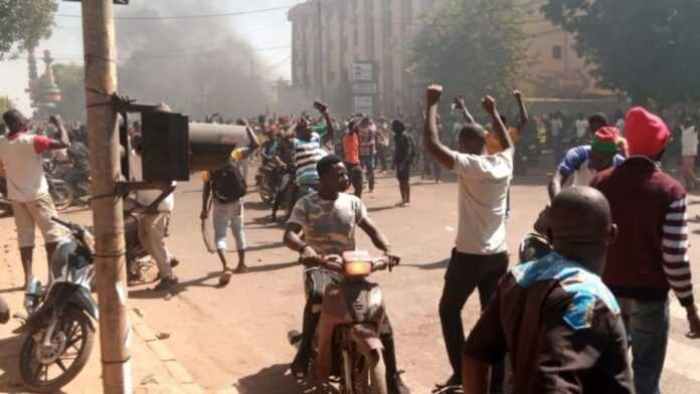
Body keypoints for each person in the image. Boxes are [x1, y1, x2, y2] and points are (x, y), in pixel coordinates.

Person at [462, 187, 634, 394]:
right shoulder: (588, 299)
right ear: (612, 233)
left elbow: (475, 355)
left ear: (550, 234)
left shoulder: (517, 279)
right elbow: (553, 384)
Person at [591, 107, 700, 394]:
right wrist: (689, 307)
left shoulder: (600, 182)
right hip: (649, 297)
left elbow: (589, 241)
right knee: (646, 377)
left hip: (606, 294)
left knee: (608, 375)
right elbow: (675, 258)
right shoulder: (671, 191)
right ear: (661, 148)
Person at [283, 154, 409, 394]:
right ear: (322, 178)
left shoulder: (352, 202)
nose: (345, 178)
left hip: (350, 268)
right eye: (338, 174)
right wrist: (304, 248)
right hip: (319, 266)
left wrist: (387, 250)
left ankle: (392, 376)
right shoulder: (306, 204)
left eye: (344, 173)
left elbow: (372, 229)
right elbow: (289, 235)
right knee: (318, 298)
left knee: (380, 316)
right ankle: (304, 353)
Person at [422, 85, 513, 393]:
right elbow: (505, 141)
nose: (458, 144)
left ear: (468, 143)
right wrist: (492, 112)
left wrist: (431, 105)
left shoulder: (470, 165)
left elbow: (432, 145)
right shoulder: (504, 162)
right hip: (498, 255)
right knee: (493, 318)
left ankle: (462, 373)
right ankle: (496, 383)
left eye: (461, 141)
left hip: (470, 255)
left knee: (449, 310)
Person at [0, 110, 70, 294]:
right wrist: (59, 123)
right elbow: (65, 143)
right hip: (38, 195)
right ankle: (52, 278)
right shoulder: (33, 140)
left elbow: (1, 170)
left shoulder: (2, 143)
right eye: (23, 119)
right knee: (52, 236)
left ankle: (28, 278)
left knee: (25, 238)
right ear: (19, 122)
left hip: (16, 197)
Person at [201, 126, 260, 284]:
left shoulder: (208, 163)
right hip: (237, 201)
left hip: (220, 204)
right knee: (239, 231)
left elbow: (207, 187)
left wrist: (204, 209)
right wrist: (248, 127)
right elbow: (256, 145)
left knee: (220, 235)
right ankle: (242, 264)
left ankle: (226, 266)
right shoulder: (233, 155)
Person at [283, 101, 336, 217]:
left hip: (321, 181)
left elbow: (330, 133)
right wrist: (295, 124)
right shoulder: (296, 142)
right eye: (307, 127)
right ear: (300, 131)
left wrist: (326, 113)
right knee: (307, 209)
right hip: (306, 183)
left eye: (310, 126)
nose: (310, 128)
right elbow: (286, 137)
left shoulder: (316, 138)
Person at [548, 127, 626, 200]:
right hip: (577, 202)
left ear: (612, 155)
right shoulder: (580, 154)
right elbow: (556, 181)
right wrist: (557, 204)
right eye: (592, 155)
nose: (594, 161)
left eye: (600, 159)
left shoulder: (621, 165)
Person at [393, 120, 415, 207]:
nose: (393, 129)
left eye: (395, 127)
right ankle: (403, 199)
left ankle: (408, 200)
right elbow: (396, 150)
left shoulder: (405, 136)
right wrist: (394, 161)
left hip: (405, 162)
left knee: (405, 181)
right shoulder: (397, 136)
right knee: (400, 180)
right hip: (399, 161)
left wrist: (404, 163)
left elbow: (408, 151)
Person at [342, 118, 364, 197]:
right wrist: (354, 124)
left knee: (359, 185)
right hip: (349, 163)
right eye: (356, 126)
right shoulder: (348, 136)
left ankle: (357, 199)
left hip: (356, 162)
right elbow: (351, 130)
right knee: (347, 184)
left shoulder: (355, 136)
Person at [358, 117, 377, 192]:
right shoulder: (369, 129)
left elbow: (372, 142)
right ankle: (368, 186)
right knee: (366, 170)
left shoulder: (369, 130)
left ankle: (368, 186)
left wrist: (361, 144)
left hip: (367, 153)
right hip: (365, 152)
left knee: (367, 170)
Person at [680, 115, 698, 190]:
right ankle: (690, 185)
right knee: (685, 170)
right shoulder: (684, 130)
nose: (686, 123)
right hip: (685, 152)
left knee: (687, 169)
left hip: (690, 152)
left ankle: (696, 181)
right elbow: (680, 125)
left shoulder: (693, 129)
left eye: (688, 122)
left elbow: (696, 128)